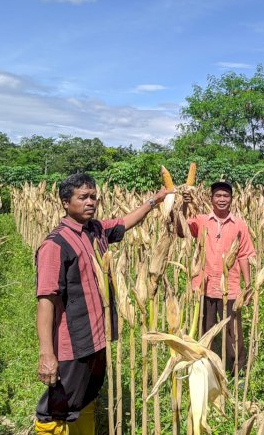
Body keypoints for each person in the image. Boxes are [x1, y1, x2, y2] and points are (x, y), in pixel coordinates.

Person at [35, 172, 170, 434]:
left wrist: (155, 200)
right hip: (73, 342)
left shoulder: (96, 230)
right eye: (82, 197)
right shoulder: (55, 245)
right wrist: (46, 354)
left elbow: (125, 221)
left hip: (99, 337)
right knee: (58, 406)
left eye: (94, 197)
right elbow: (45, 301)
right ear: (65, 202)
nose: (90, 202)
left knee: (87, 396)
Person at [178, 181, 255, 375]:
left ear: (231, 199)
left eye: (226, 196)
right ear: (211, 199)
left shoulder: (239, 225)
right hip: (204, 286)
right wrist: (185, 204)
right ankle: (207, 370)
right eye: (218, 196)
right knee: (206, 330)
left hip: (231, 288)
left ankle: (239, 371)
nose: (222, 199)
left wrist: (248, 286)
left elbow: (244, 255)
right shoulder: (201, 220)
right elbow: (181, 231)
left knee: (233, 331)